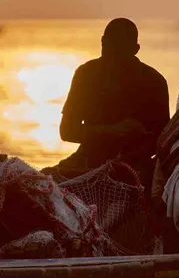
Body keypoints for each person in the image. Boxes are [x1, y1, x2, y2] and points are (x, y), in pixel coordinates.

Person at [47, 18, 169, 182]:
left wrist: (127, 153)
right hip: (87, 160)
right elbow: (67, 131)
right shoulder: (86, 74)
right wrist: (113, 130)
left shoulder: (154, 81)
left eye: (120, 53)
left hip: (134, 165)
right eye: (108, 49)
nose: (112, 60)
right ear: (102, 42)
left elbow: (163, 139)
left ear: (135, 49)